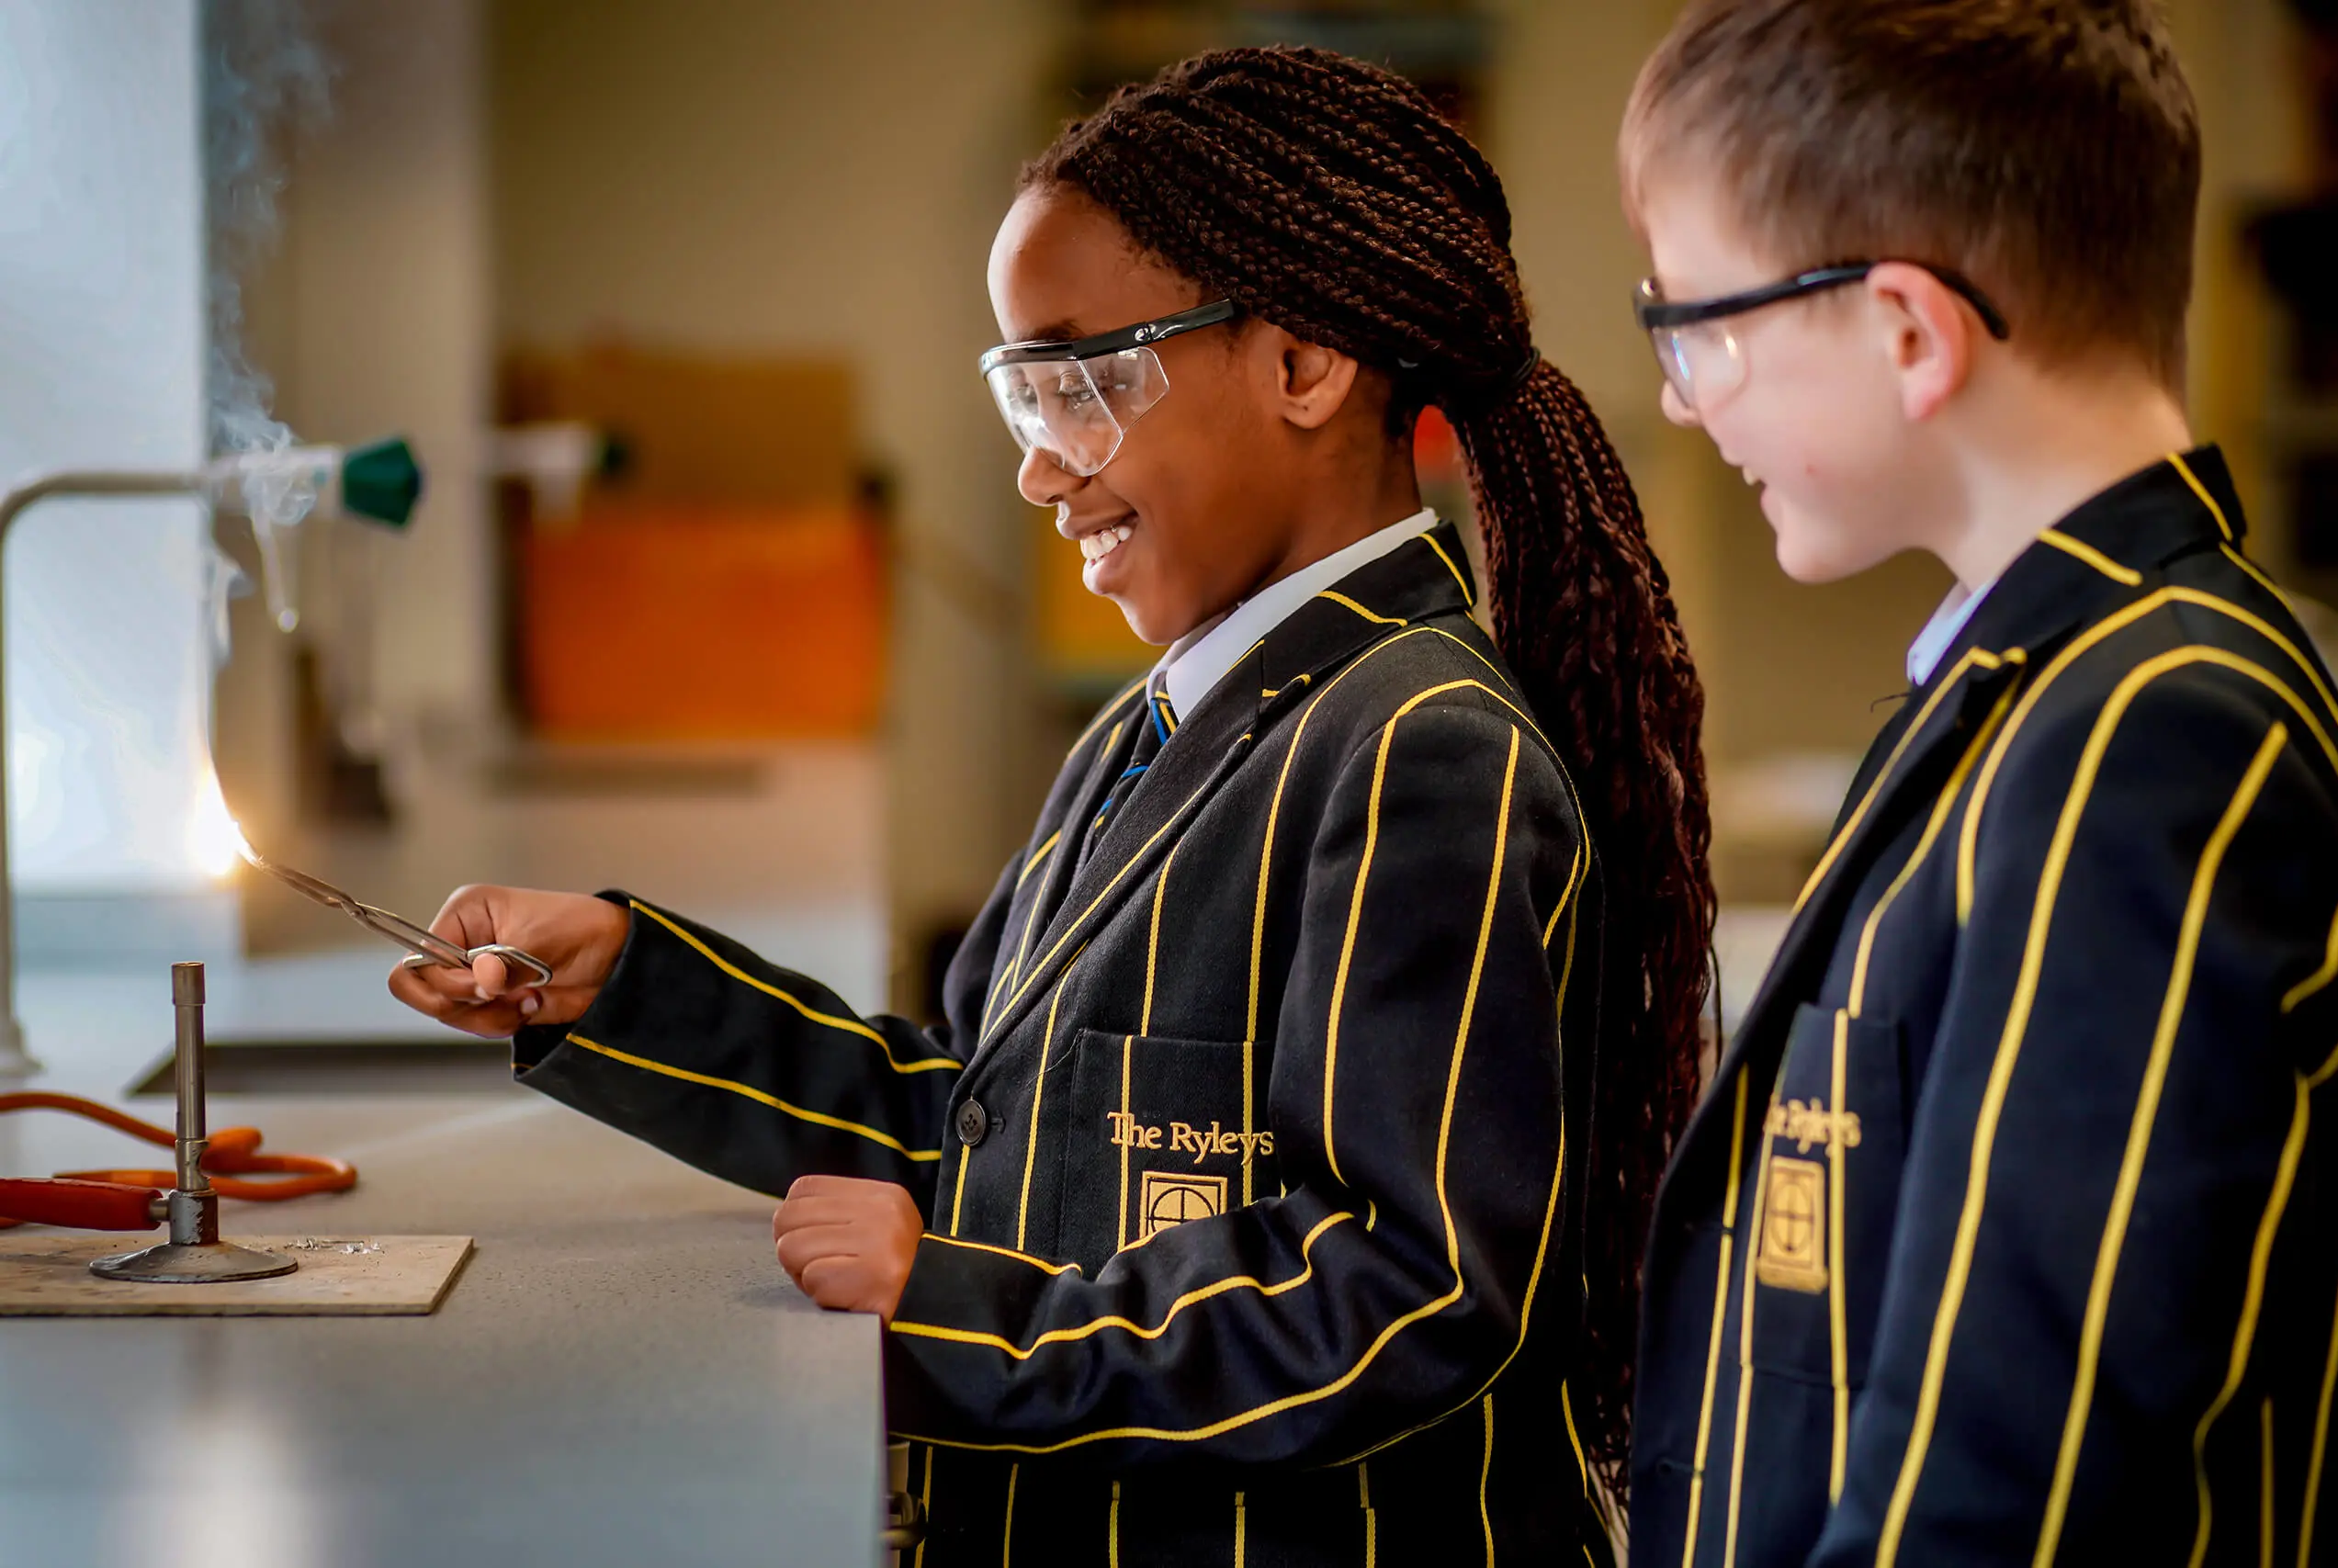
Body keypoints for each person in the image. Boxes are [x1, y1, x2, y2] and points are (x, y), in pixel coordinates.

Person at [392, 45, 1711, 1565]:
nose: (1037, 466)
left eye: (1082, 382)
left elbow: (1406, 1288)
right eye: (1025, 389)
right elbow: (986, 1128)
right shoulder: (1150, 728)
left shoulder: (1423, 747)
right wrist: (636, 984)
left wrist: (957, 1310)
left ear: (1301, 364)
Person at [1617, 3, 2338, 1564]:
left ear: (1907, 329)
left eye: (1699, 328)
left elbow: (2019, 1473)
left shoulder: (2152, 728)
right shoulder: (2028, 691)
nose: (1682, 396)